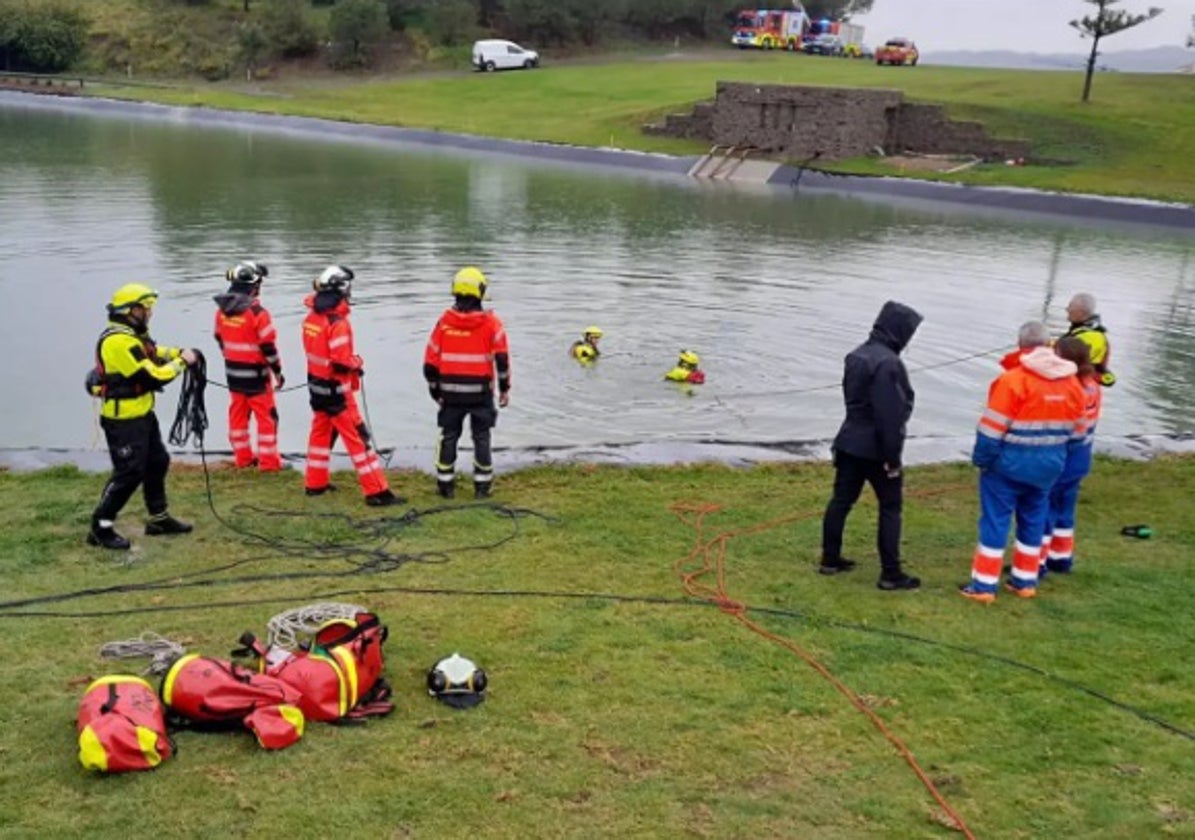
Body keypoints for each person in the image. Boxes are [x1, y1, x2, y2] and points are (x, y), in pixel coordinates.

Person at [960, 321, 1086, 604]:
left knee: (995, 521)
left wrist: (983, 461)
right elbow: (1077, 433)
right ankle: (1025, 581)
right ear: (1050, 344)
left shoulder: (1012, 381)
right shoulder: (1072, 383)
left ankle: (983, 586)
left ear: (1020, 345)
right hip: (1048, 468)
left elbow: (990, 432)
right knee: (1033, 521)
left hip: (1007, 467)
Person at [86, 283, 199, 550]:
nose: (149, 313)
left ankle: (158, 519)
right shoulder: (118, 342)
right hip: (122, 421)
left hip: (142, 415)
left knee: (157, 461)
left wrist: (178, 352)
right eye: (144, 309)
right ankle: (100, 528)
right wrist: (183, 363)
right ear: (129, 311)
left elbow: (154, 351)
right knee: (128, 474)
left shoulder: (134, 336)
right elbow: (151, 376)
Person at [820, 300, 923, 591]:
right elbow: (888, 415)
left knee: (841, 500)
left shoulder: (857, 355)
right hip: (876, 448)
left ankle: (830, 558)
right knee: (890, 507)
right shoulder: (889, 363)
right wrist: (893, 458)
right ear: (898, 331)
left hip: (849, 441)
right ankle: (891, 573)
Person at [301, 265, 401, 507]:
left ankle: (315, 484)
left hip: (317, 389)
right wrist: (357, 362)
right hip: (338, 394)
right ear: (343, 289)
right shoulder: (338, 323)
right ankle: (376, 492)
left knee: (320, 436)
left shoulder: (311, 318)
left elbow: (318, 355)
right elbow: (340, 361)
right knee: (359, 440)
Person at [423, 266, 511, 499]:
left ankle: (445, 486)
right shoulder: (492, 323)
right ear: (479, 292)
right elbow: (502, 359)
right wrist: (504, 389)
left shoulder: (443, 322)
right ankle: (482, 488)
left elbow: (430, 362)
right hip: (480, 393)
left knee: (448, 435)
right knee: (481, 437)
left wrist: (435, 390)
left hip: (449, 393)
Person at [213, 261, 284, 471]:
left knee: (238, 418)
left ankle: (243, 460)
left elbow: (219, 338)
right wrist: (278, 373)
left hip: (233, 376)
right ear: (254, 286)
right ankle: (269, 465)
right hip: (257, 379)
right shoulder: (258, 313)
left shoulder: (221, 312)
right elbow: (268, 347)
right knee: (267, 420)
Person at [1040, 337, 1102, 574]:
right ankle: (1061, 557)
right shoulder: (1093, 384)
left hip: (1065, 457)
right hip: (1082, 455)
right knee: (1065, 508)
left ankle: (1037, 562)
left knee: (1045, 508)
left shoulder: (1073, 389)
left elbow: (1066, 428)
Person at [1064, 292, 1116, 387]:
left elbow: (1068, 363)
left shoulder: (1090, 337)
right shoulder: (1086, 332)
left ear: (1081, 312)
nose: (1067, 309)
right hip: (1083, 388)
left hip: (1081, 389)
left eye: (1070, 306)